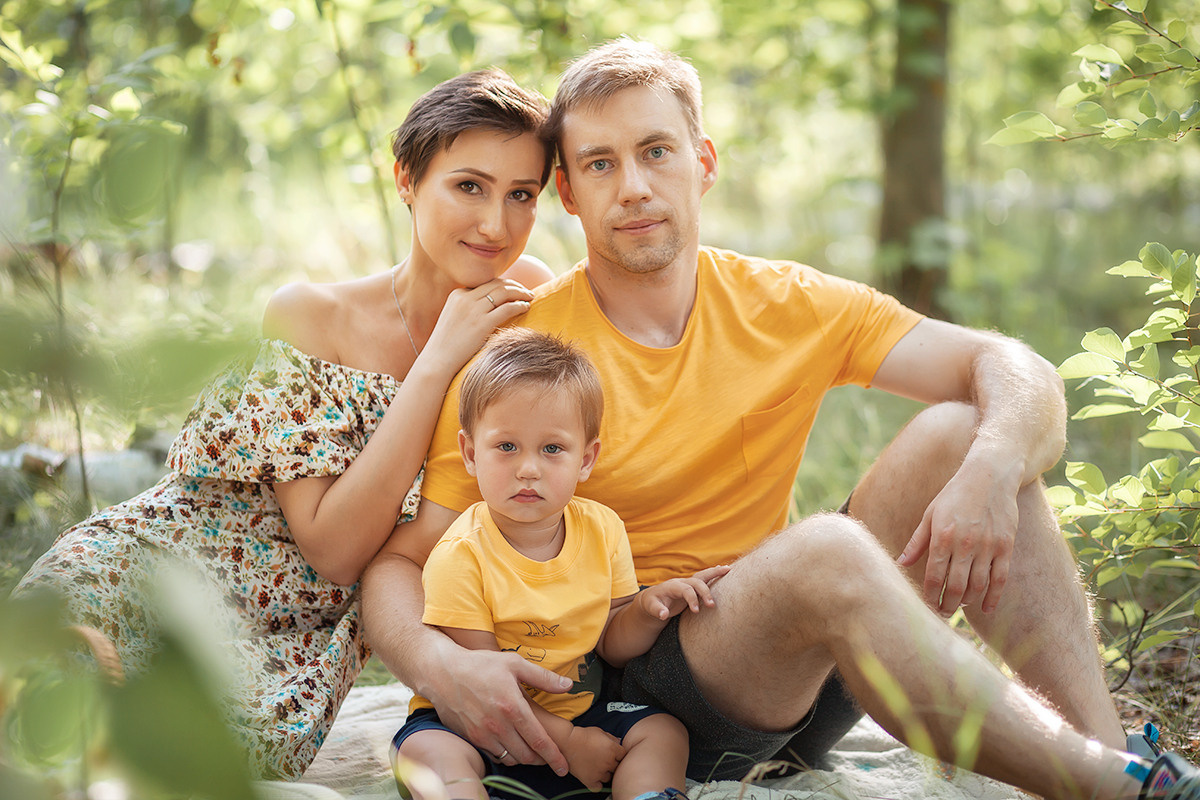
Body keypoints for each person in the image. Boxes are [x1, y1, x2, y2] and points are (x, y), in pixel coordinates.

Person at [360, 39, 1200, 800]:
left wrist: (991, 464)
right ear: (570, 194)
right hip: (642, 694)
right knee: (826, 547)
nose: (636, 186)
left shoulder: (782, 300)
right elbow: (401, 561)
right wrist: (438, 664)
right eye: (601, 164)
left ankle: (1118, 763)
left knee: (961, 434)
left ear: (703, 162)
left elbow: (1015, 369)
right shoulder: (524, 353)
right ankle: (1104, 783)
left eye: (656, 151)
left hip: (797, 668)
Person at [13, 68, 556, 779]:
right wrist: (435, 366)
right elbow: (333, 549)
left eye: (522, 195)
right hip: (150, 577)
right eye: (469, 186)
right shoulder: (312, 316)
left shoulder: (524, 300)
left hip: (293, 654)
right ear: (406, 179)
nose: (496, 225)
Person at [393, 327, 723, 800]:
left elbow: (611, 642)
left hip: (578, 713)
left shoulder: (602, 529)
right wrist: (567, 743)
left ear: (585, 459)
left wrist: (649, 609)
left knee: (664, 732)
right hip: (474, 724)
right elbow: (483, 685)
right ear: (470, 453)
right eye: (507, 446)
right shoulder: (460, 555)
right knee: (428, 754)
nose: (528, 469)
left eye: (552, 449)